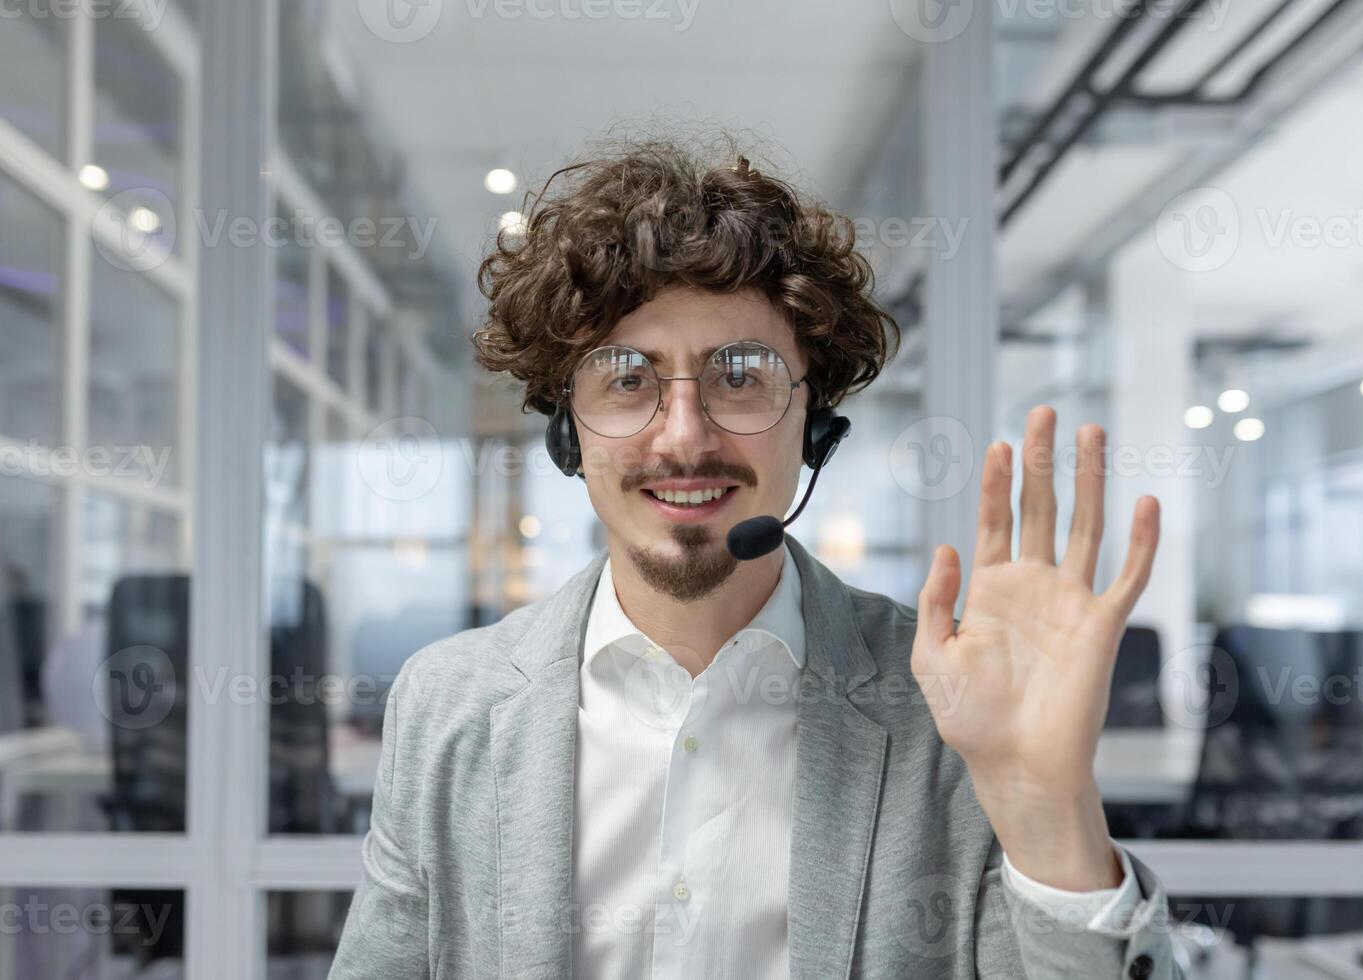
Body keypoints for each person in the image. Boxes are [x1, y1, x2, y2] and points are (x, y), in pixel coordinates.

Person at [328, 134, 1177, 979]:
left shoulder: (948, 708)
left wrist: (1048, 814)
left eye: (742, 375)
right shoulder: (447, 708)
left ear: (815, 428)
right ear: (566, 432)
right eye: (627, 377)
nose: (685, 435)